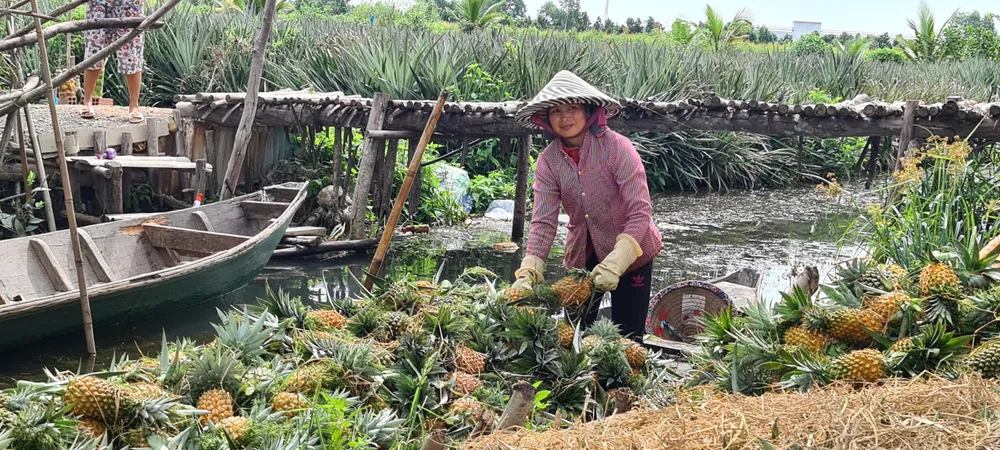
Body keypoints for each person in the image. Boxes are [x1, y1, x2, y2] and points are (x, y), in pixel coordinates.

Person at [510, 70, 663, 339]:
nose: (564, 117)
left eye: (572, 108)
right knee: (574, 336)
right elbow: (543, 222)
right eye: (556, 110)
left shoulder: (617, 148)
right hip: (582, 256)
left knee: (628, 339)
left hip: (632, 254)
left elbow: (640, 212)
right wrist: (530, 270)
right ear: (546, 118)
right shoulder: (549, 161)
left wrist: (617, 262)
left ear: (589, 111)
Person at [80, 0, 146, 123]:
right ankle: (87, 102)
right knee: (94, 51)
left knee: (131, 53)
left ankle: (134, 106)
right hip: (98, 3)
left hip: (128, 4)